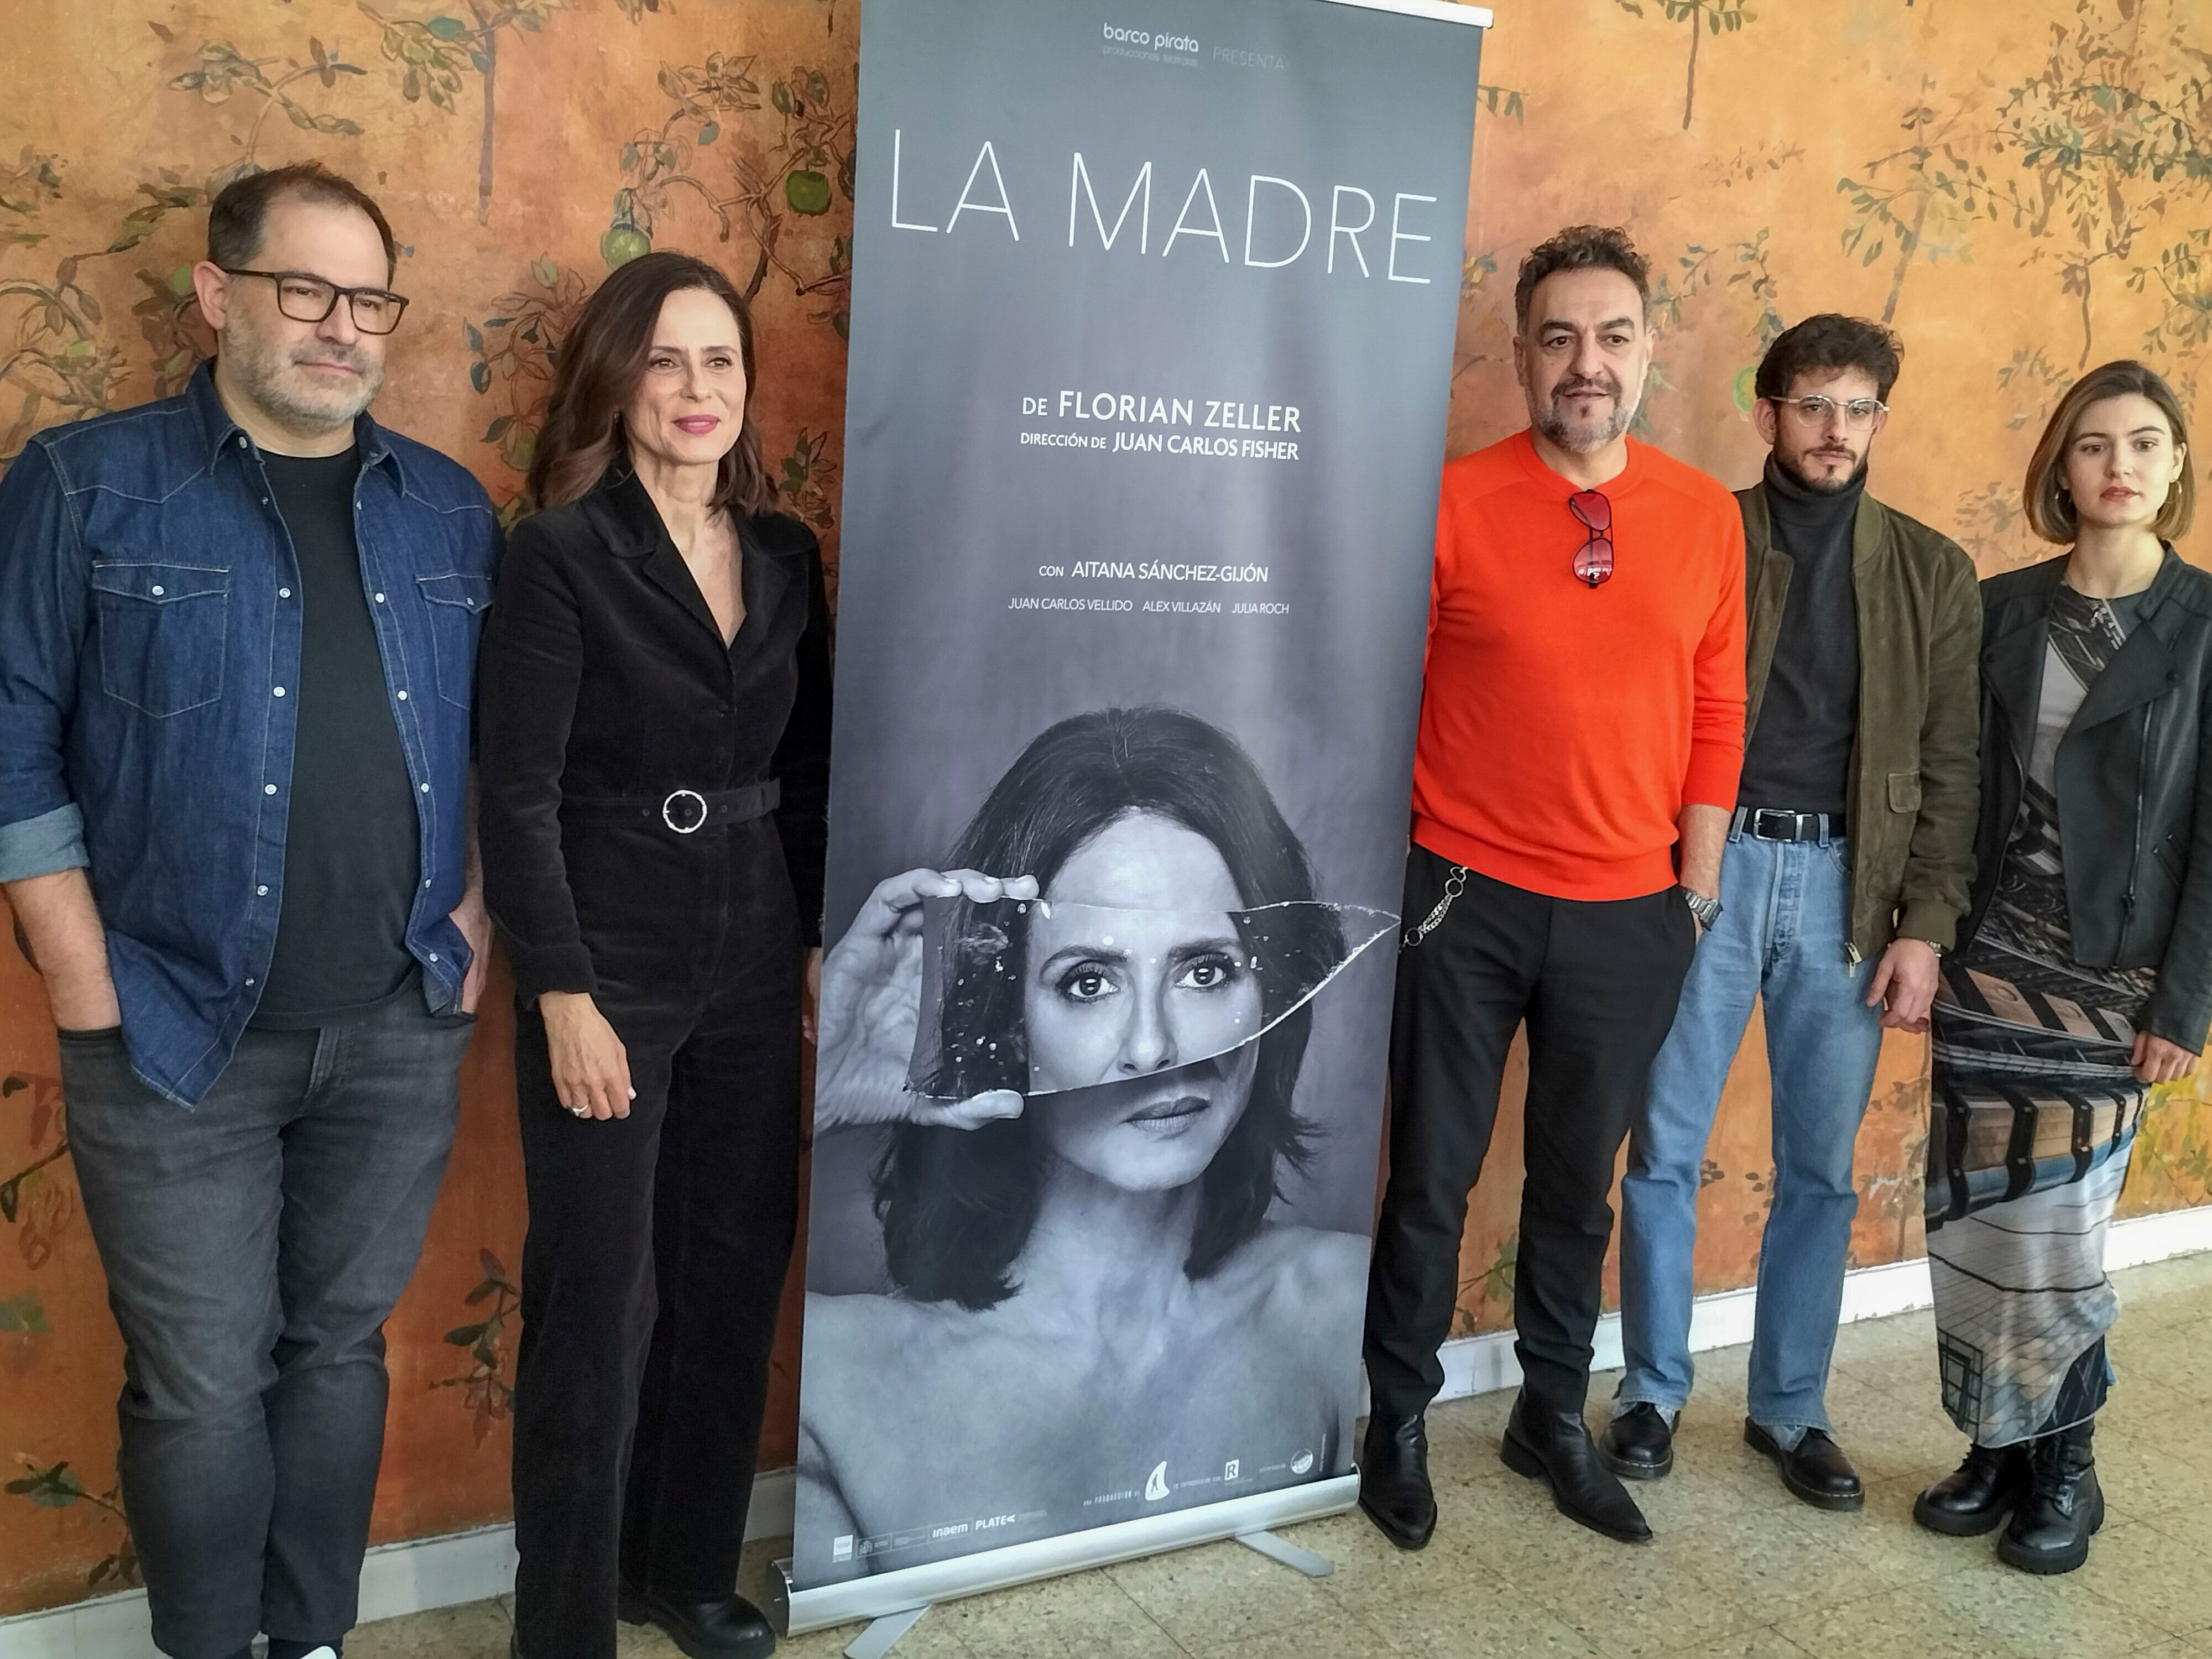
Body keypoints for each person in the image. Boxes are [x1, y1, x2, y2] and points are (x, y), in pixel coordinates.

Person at [0, 163, 495, 1659]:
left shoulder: (451, 510)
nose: (343, 327)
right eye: (307, 290)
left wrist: (473, 938)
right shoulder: (88, 481)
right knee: (202, 1385)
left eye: (369, 299)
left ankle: (316, 1642)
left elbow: (500, 749)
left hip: (400, 1024)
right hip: (168, 1032)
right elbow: (13, 733)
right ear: (218, 293)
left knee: (336, 1354)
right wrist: (86, 983)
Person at [1360, 224, 1745, 1550]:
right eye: (1559, 337)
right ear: (1521, 356)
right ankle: (1395, 1420)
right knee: (1431, 1176)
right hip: (1461, 893)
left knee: (1578, 1187)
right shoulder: (1449, 501)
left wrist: (1688, 899)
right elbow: (1378, 695)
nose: (1587, 363)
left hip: (1631, 911)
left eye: (1613, 335)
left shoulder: (1702, 517)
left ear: (1647, 352)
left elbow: (1715, 707)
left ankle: (1547, 1419)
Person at [796, 706, 1372, 1584]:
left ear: (1273, 995)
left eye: (1205, 970)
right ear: (1002, 1011)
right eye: (1090, 981)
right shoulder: (839, 1380)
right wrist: (822, 1093)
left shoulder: (1332, 1306)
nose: (1152, 1047)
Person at [478, 251, 831, 1659]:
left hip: (753, 942)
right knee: (598, 1294)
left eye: (722, 362)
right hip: (606, 950)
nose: (699, 390)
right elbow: (516, 792)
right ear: (617, 380)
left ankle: (680, 1570)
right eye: (668, 361)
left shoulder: (792, 552)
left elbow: (810, 768)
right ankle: (559, 1625)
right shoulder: (560, 554)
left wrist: (807, 938)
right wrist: (559, 992)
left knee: (733, 1260)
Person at [1605, 316, 1981, 1507]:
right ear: (1764, 413)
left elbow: (1948, 765)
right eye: (1810, 405)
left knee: (1818, 1169)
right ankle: (1649, 1392)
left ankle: (1787, 1409)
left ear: (1878, 419)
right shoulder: (1699, 531)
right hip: (1704, 874)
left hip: (1846, 895)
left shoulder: (1930, 572)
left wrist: (1921, 923)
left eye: (1855, 408)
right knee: (1662, 1150)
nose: (1833, 430)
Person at [1911, 361, 2209, 1575]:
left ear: (2177, 465)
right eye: (2093, 445)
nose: (2119, 466)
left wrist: (2184, 1002)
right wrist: (1922, 938)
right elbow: (1950, 789)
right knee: (1973, 1220)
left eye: (2144, 443)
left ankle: (2066, 1470)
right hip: (1985, 969)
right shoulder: (1998, 609)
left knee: (2063, 1238)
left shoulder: (2202, 628)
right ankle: (1992, 1446)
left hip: (2110, 983)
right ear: (2059, 466)